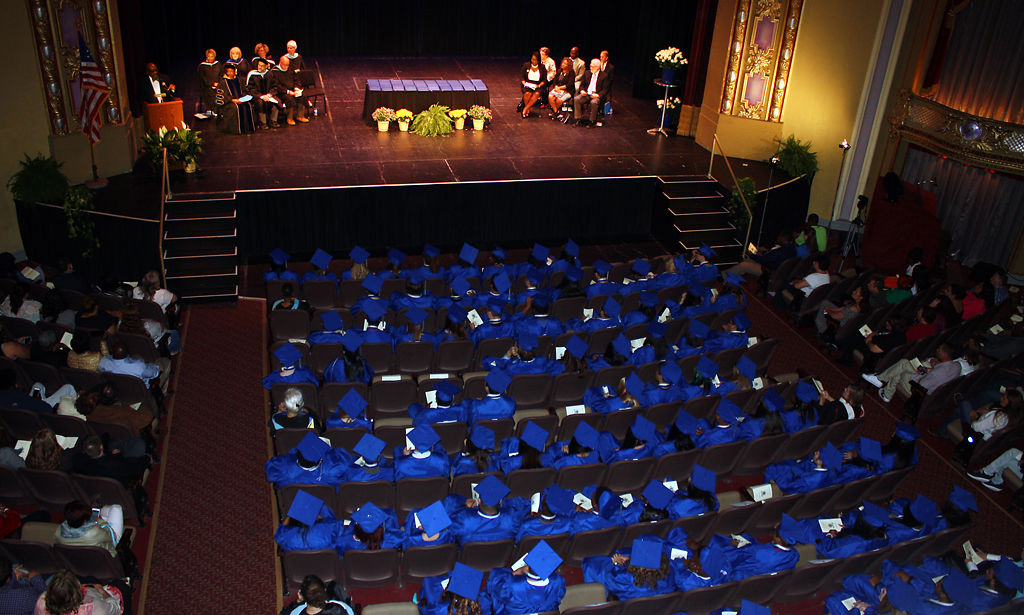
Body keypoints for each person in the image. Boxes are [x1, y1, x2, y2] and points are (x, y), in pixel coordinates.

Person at [862, 342, 962, 403]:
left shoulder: (939, 373)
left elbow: (921, 385)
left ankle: (880, 379)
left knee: (902, 366)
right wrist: (931, 368)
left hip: (918, 392)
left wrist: (917, 372)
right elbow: (937, 373)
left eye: (939, 349)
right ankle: (887, 394)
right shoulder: (957, 366)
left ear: (945, 354)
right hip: (931, 382)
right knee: (904, 366)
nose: (937, 349)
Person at [33, 569, 123, 615]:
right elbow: (116, 608)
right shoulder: (92, 607)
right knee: (121, 585)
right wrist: (103, 592)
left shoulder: (41, 601)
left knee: (90, 579)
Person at [54, 500, 123, 556]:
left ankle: (99, 509)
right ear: (84, 520)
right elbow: (113, 536)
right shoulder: (94, 532)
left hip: (81, 563)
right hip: (108, 558)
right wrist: (100, 521)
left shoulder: (58, 532)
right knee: (116, 508)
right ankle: (100, 509)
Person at [279, 575, 353, 615]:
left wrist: (297, 602)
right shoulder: (342, 607)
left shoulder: (296, 612)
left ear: (301, 595)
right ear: (324, 590)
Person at [215, 63, 256, 134]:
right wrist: (232, 100)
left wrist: (242, 98)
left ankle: (248, 129)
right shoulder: (223, 82)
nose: (230, 73)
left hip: (240, 100)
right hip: (228, 103)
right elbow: (221, 96)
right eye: (229, 71)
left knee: (248, 105)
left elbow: (244, 91)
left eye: (232, 71)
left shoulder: (239, 80)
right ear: (226, 72)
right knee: (235, 108)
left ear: (235, 72)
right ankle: (237, 129)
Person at [269, 56, 309, 126]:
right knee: (289, 99)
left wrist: (296, 88)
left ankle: (300, 116)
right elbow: (276, 86)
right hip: (281, 92)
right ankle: (290, 118)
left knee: (301, 96)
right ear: (280, 63)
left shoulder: (290, 69)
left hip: (292, 90)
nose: (286, 67)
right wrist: (287, 91)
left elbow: (296, 80)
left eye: (287, 65)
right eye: (284, 65)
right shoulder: (274, 72)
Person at [573, 59, 610, 127]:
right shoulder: (587, 73)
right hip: (587, 94)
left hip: (596, 95)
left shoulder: (604, 76)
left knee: (594, 102)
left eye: (592, 66)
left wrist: (598, 95)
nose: (590, 68)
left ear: (597, 67)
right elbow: (582, 85)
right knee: (576, 99)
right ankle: (578, 118)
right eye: (590, 66)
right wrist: (582, 90)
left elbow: (605, 89)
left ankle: (592, 121)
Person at [247, 58, 279, 130]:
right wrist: (261, 96)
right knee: (260, 103)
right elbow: (251, 89)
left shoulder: (270, 74)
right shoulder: (253, 75)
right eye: (259, 65)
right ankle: (262, 123)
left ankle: (273, 121)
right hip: (257, 97)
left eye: (262, 66)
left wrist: (269, 95)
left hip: (268, 95)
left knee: (277, 101)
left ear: (266, 66)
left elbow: (274, 87)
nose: (260, 67)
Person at [519, 52, 547, 119]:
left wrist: (539, 85)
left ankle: (525, 109)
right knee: (527, 94)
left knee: (536, 94)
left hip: (537, 86)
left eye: (535, 60)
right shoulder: (526, 65)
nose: (533, 61)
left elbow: (544, 80)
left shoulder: (542, 67)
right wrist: (524, 83)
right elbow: (522, 77)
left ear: (538, 60)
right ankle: (527, 110)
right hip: (528, 85)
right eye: (532, 59)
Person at [196, 49, 220, 117]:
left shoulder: (218, 64)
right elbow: (203, 78)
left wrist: (219, 83)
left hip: (218, 85)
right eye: (209, 56)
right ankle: (212, 110)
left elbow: (221, 75)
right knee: (210, 93)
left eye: (212, 56)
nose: (210, 58)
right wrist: (212, 84)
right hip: (207, 87)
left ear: (214, 57)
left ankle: (219, 110)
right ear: (206, 57)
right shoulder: (202, 66)